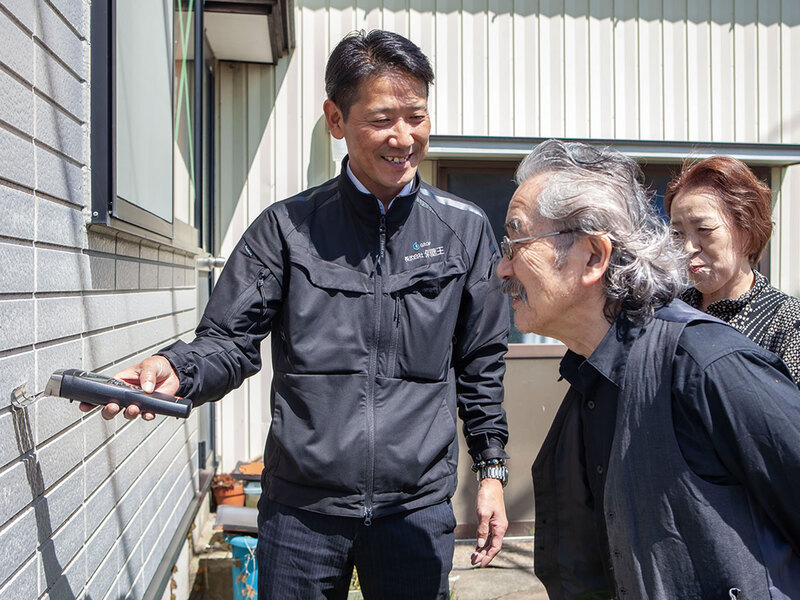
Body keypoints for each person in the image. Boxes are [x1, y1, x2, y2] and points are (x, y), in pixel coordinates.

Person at [81, 30, 511, 599]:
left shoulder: (464, 230)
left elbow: (481, 362)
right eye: (382, 119)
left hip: (415, 509)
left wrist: (491, 472)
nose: (404, 138)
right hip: (301, 512)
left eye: (416, 116)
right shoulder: (287, 229)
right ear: (336, 119)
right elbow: (228, 340)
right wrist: (176, 369)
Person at [497, 139, 800, 599]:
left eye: (516, 243)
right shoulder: (591, 373)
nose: (503, 268)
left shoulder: (706, 363)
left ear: (593, 256)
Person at [665, 156, 800, 383]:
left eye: (704, 229)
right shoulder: (669, 313)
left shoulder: (787, 322)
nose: (688, 248)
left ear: (747, 230)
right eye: (677, 233)